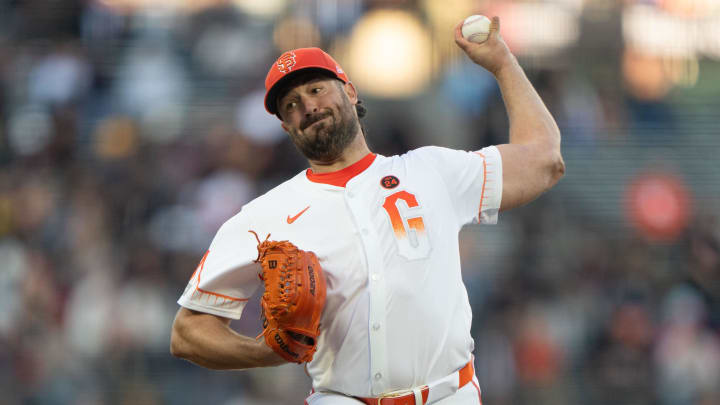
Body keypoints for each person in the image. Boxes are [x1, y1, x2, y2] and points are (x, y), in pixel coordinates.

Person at [170, 16, 565, 405]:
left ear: (351, 92)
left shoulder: (431, 171)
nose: (307, 105)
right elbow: (188, 333)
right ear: (286, 127)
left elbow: (544, 161)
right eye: (291, 104)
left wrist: (502, 63)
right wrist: (266, 353)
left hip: (450, 394)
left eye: (316, 88)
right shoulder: (263, 216)